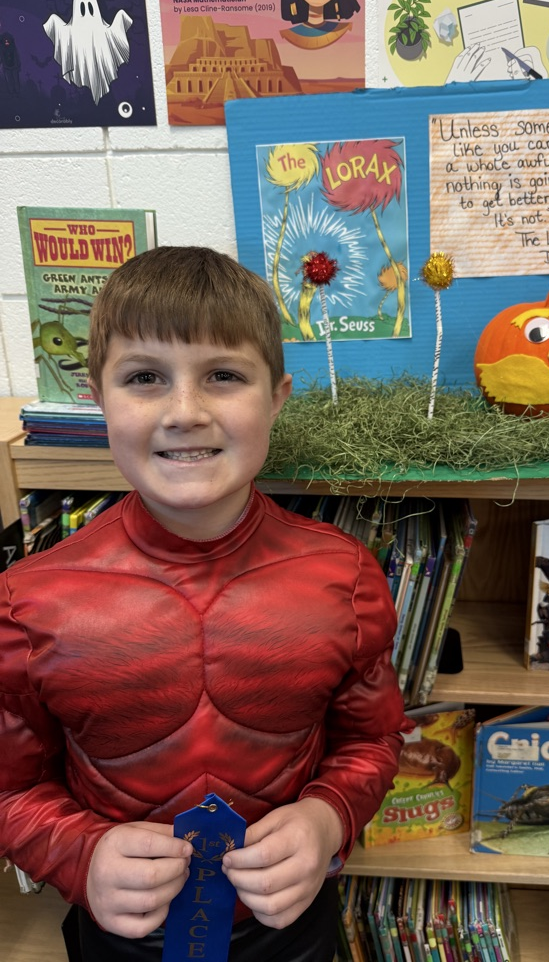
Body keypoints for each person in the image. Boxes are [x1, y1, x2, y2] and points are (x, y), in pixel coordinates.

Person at [0, 246, 410, 961]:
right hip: (120, 938)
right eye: (144, 378)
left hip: (291, 928)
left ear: (277, 396)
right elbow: (10, 788)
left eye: (223, 376)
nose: (185, 412)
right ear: (97, 397)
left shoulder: (345, 577)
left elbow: (371, 741)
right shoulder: (28, 603)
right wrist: (79, 854)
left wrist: (326, 817)